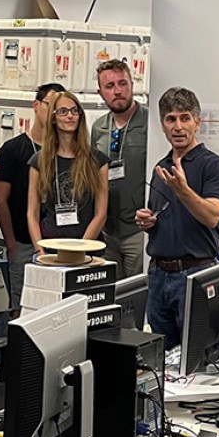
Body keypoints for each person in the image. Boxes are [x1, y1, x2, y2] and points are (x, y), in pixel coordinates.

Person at [135, 87, 219, 349]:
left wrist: (183, 190)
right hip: (158, 275)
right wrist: (147, 221)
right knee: (162, 358)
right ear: (163, 125)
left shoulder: (215, 166)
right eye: (171, 119)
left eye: (185, 118)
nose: (178, 126)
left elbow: (212, 216)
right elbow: (162, 216)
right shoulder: (161, 168)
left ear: (197, 122)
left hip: (195, 273)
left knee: (199, 356)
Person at [0, 83, 65, 312]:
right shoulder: (13, 149)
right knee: (22, 309)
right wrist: (11, 243)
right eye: (50, 105)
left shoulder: (66, 150)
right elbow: (0, 200)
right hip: (24, 243)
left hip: (58, 243)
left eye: (60, 108)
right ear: (36, 106)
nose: (55, 113)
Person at [27, 91, 109, 253]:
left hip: (88, 249)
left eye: (74, 110)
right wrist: (39, 250)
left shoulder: (97, 160)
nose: (70, 116)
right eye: (63, 111)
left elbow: (101, 213)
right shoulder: (39, 161)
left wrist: (80, 250)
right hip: (50, 246)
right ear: (53, 118)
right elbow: (32, 212)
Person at [91, 59, 148, 278]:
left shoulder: (149, 123)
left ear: (132, 85)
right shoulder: (99, 128)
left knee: (138, 292)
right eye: (110, 86)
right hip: (107, 229)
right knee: (112, 294)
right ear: (100, 92)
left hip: (138, 229)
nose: (118, 91)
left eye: (122, 83)